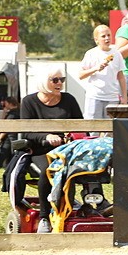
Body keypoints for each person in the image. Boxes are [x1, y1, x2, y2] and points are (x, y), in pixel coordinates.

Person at [19, 69, 85, 233]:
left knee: (90, 166)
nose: (59, 83)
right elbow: (25, 131)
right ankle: (44, 217)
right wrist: (46, 136)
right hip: (41, 149)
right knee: (47, 171)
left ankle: (95, 203)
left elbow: (81, 125)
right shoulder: (29, 102)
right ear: (43, 81)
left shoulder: (68, 99)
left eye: (61, 79)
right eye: (54, 80)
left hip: (68, 147)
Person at [77, 24, 125, 119]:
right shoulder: (91, 53)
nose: (107, 38)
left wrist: (124, 97)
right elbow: (80, 75)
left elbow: (121, 77)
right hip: (95, 96)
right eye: (103, 36)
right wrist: (95, 68)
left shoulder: (117, 53)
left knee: (111, 129)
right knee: (93, 129)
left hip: (112, 97)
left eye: (109, 35)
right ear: (96, 40)